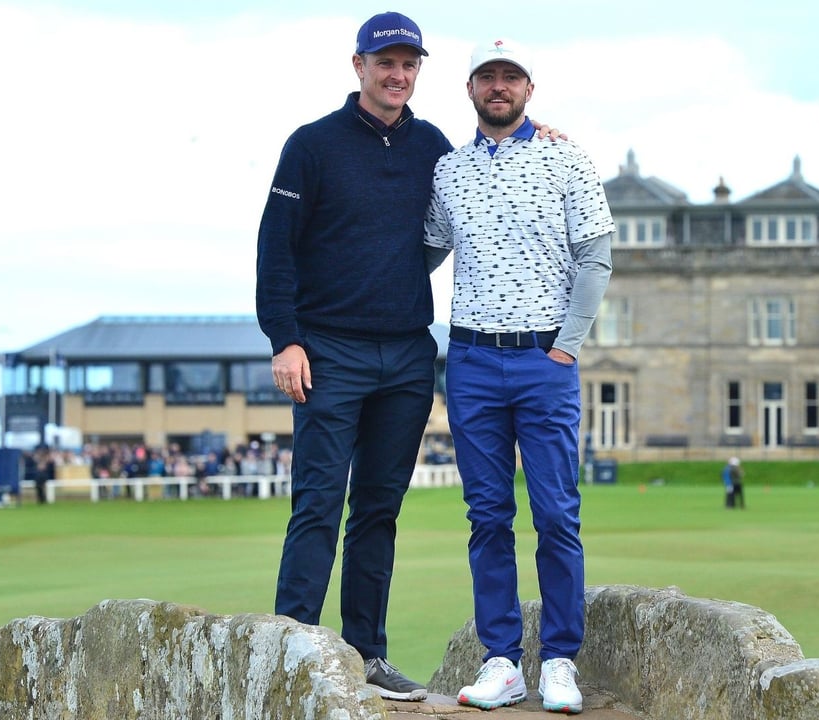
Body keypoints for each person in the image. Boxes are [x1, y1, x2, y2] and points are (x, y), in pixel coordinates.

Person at [255, 11, 449, 702]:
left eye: (408, 63)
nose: (397, 74)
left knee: (378, 509)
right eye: (384, 62)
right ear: (359, 66)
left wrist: (536, 137)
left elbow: (486, 184)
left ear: (417, 69)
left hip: (405, 354)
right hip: (327, 349)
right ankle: (294, 654)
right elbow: (275, 248)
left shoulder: (434, 146)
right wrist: (286, 338)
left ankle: (367, 653)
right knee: (317, 502)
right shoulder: (311, 146)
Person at [424, 37, 614, 714]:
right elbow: (424, 250)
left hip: (544, 359)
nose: (498, 87)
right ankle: (501, 659)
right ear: (471, 89)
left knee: (557, 514)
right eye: (486, 77)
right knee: (487, 517)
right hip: (472, 359)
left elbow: (595, 257)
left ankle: (560, 660)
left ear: (528, 89)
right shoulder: (448, 170)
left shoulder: (566, 158)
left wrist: (566, 347)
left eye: (510, 77)